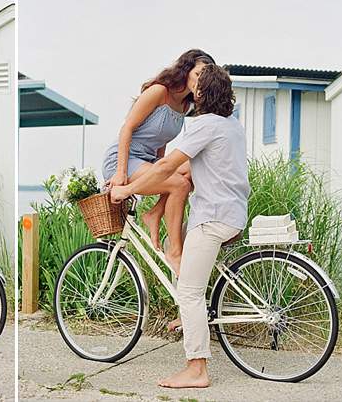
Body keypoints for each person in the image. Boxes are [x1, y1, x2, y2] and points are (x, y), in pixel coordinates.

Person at [111, 64, 250, 389]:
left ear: (203, 94)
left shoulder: (203, 125)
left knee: (189, 292)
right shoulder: (231, 125)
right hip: (233, 214)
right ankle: (190, 320)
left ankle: (196, 369)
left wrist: (127, 189)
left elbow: (166, 167)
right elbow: (191, 164)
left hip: (213, 216)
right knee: (185, 263)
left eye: (197, 87)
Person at [102, 49, 215, 276]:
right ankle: (174, 251)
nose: (200, 81)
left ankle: (154, 214)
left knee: (191, 172)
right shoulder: (159, 91)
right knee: (179, 184)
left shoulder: (185, 106)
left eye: (206, 76)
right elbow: (127, 129)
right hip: (122, 159)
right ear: (186, 70)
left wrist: (161, 169)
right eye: (198, 73)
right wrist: (121, 173)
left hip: (147, 160)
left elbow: (161, 141)